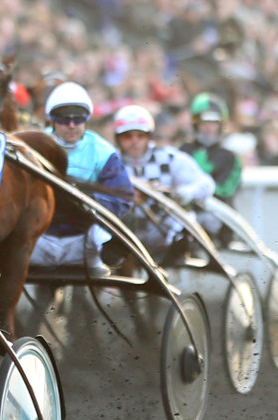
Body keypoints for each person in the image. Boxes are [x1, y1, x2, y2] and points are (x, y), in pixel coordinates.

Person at [31, 81, 133, 277]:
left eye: (78, 119)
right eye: (64, 119)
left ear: (86, 119)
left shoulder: (103, 152)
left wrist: (86, 200)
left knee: (123, 221)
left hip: (84, 239)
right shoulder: (34, 146)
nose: (71, 125)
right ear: (52, 120)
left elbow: (122, 196)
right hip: (40, 237)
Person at [112, 104, 215, 261]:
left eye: (140, 136)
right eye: (127, 137)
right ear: (118, 139)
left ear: (149, 136)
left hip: (164, 232)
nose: (135, 142)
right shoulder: (110, 164)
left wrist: (188, 192)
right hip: (127, 233)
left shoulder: (169, 158)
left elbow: (206, 184)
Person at [180, 93, 242, 204]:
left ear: (220, 125)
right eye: (204, 122)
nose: (209, 127)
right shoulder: (183, 151)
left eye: (214, 122)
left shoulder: (230, 158)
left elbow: (227, 191)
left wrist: (197, 190)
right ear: (196, 124)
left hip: (216, 213)